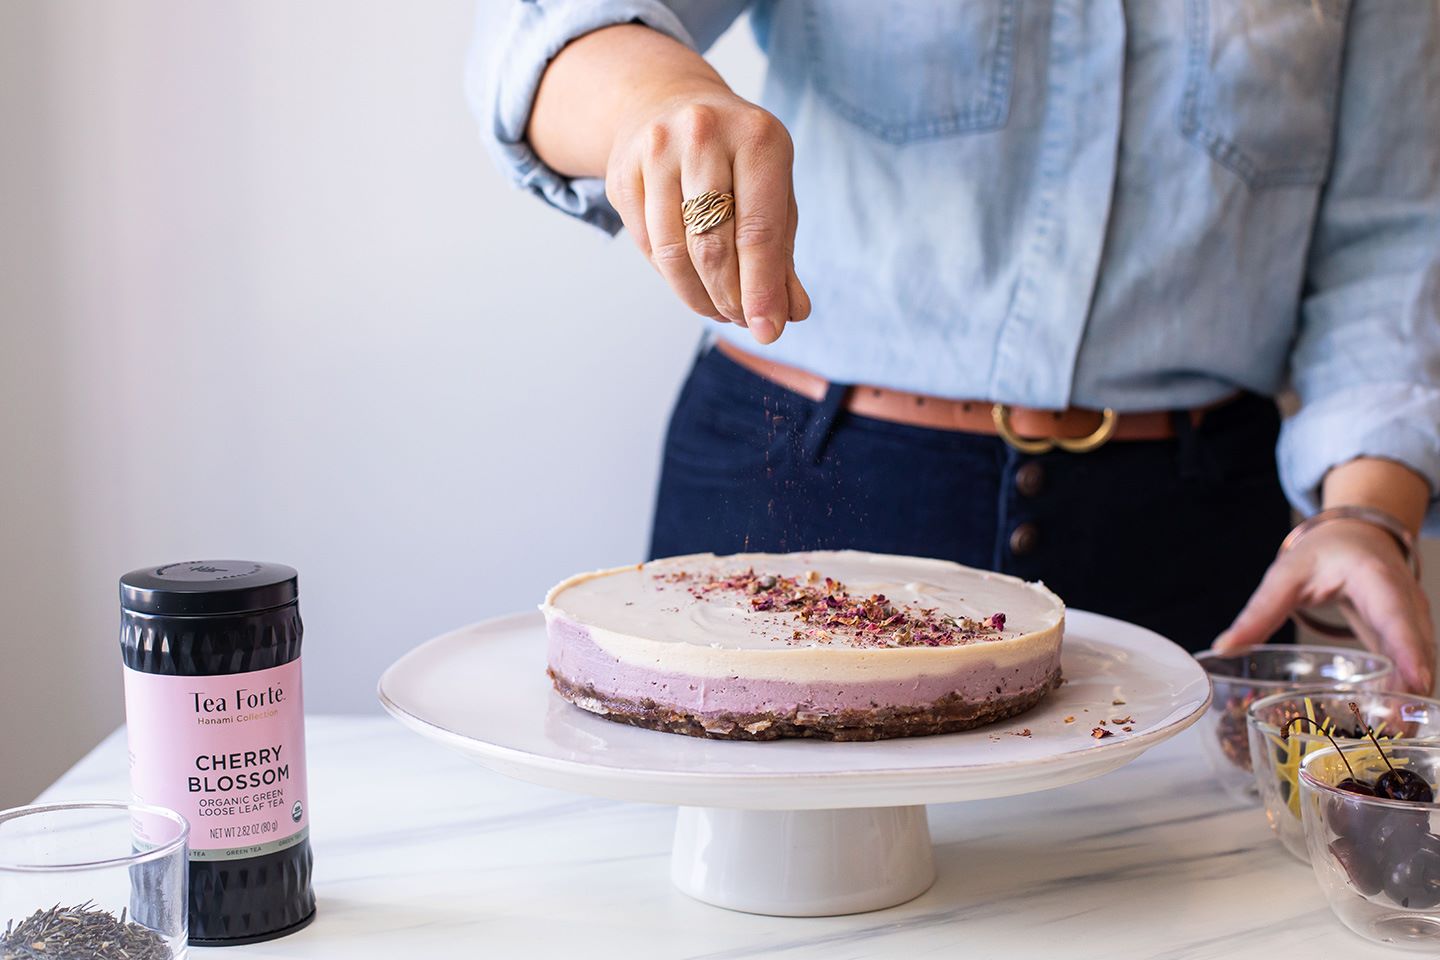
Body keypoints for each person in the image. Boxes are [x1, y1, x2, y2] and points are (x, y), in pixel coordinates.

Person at [472, 2, 1439, 694]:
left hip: (1186, 533)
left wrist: (1366, 514)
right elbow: (545, 36)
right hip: (802, 482)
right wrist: (662, 100)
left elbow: (1393, 238)